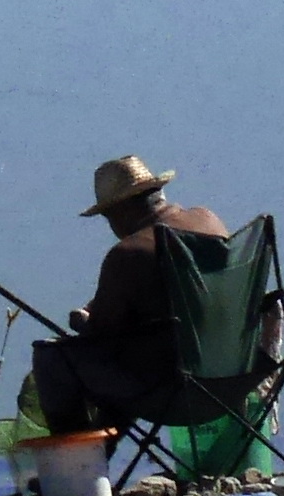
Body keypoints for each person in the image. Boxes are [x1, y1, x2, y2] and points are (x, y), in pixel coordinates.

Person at [19, 157, 233, 434]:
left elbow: (101, 336)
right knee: (135, 358)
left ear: (121, 211)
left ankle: (78, 470)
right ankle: (96, 458)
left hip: (175, 392)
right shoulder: (208, 220)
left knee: (53, 359)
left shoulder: (128, 253)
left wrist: (82, 321)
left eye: (108, 216)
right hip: (236, 376)